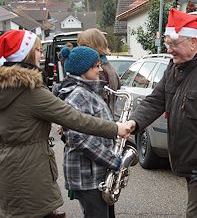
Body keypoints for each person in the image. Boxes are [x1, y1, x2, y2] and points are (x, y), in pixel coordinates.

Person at [0, 30, 130, 218]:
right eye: (38, 50)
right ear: (27, 55)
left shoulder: (7, 88)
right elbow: (75, 119)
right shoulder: (31, 91)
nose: (42, 54)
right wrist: (116, 128)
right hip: (30, 171)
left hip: (8, 168)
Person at [126, 8, 197, 218]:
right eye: (168, 44)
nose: (170, 50)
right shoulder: (175, 68)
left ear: (193, 42)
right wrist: (133, 123)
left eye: (174, 44)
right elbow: (156, 100)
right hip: (192, 164)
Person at [55, 45, 122, 218]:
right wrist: (112, 160)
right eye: (97, 66)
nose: (100, 70)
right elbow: (79, 138)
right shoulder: (78, 95)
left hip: (93, 173)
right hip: (87, 176)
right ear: (84, 69)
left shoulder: (87, 91)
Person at [77, 28, 121, 115]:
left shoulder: (97, 71)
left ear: (90, 47)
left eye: (82, 46)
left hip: (98, 123)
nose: (80, 50)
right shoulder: (110, 68)